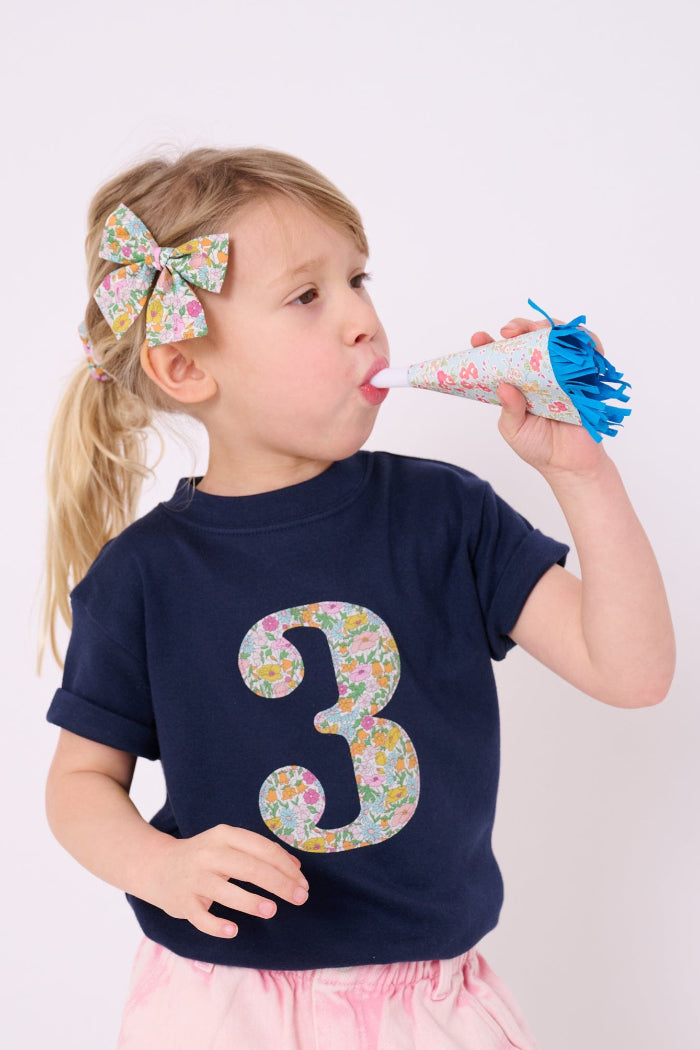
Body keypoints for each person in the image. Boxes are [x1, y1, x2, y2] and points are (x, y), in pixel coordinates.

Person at [42, 147, 675, 1050]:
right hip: (218, 1008)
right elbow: (78, 786)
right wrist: (157, 864)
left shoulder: (444, 515)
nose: (361, 320)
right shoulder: (144, 575)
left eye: (357, 278)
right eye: (307, 295)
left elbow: (633, 672)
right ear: (185, 367)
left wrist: (581, 472)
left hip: (431, 1008)